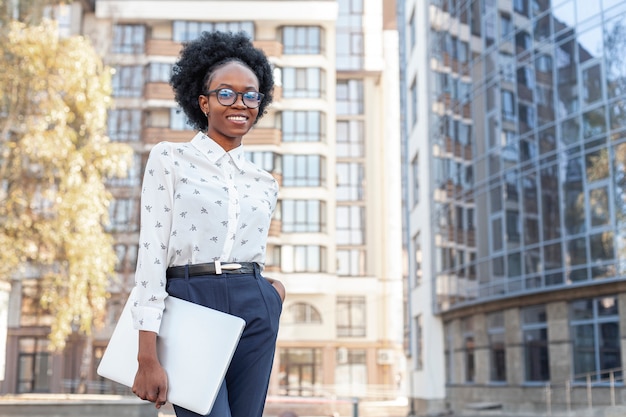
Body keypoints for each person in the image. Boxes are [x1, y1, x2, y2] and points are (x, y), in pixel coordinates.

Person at [130, 31, 285, 417]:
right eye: (226, 93)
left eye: (251, 94)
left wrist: (273, 295)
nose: (240, 103)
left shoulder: (265, 182)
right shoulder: (170, 159)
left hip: (254, 306)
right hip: (190, 299)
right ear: (203, 101)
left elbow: (254, 253)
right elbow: (151, 255)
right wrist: (146, 355)